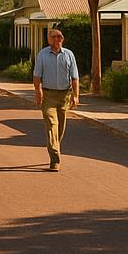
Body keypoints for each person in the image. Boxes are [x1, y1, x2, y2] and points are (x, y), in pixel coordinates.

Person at [32, 27, 80, 171]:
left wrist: (76, 95)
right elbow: (36, 76)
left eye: (60, 37)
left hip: (64, 95)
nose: (57, 39)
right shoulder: (42, 55)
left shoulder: (69, 55)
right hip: (49, 95)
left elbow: (75, 77)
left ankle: (55, 146)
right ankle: (55, 159)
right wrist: (38, 91)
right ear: (49, 39)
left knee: (60, 127)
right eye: (54, 37)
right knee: (52, 125)